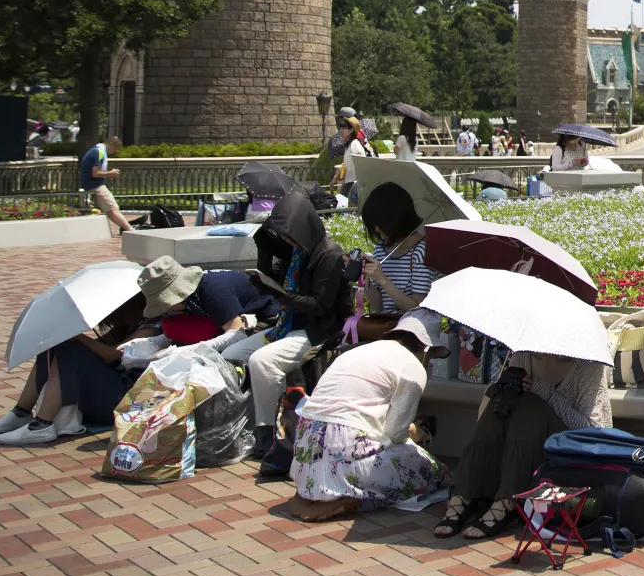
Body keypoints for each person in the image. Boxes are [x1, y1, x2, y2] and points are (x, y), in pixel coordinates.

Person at [435, 348, 615, 538]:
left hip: (568, 448)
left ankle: (508, 501)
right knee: (504, 400)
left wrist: (544, 392)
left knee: (531, 404)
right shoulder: (522, 355)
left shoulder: (590, 366)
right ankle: (465, 493)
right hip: (522, 440)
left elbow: (593, 429)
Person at [290, 310, 449, 520]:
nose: (428, 362)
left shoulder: (356, 352)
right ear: (424, 348)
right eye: (430, 356)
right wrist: (415, 432)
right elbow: (394, 433)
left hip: (304, 449)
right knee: (434, 472)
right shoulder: (413, 367)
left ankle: (312, 493)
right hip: (347, 450)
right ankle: (352, 499)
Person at [235, 192, 358, 460]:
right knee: (231, 355)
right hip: (287, 325)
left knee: (261, 361)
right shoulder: (297, 252)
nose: (287, 240)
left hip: (317, 329)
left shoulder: (329, 254)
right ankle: (239, 424)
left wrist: (278, 292)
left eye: (290, 234)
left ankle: (269, 432)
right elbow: (270, 278)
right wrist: (264, 248)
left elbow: (319, 305)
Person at [0, 294, 146, 445]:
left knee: (71, 351)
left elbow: (112, 355)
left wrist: (79, 338)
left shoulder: (150, 327)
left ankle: (43, 425)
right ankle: (21, 412)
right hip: (110, 391)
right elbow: (99, 348)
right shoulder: (128, 324)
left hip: (124, 402)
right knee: (58, 346)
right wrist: (71, 337)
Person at [136, 255, 277, 343]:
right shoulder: (194, 296)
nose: (168, 308)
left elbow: (237, 334)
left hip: (267, 318)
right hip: (234, 318)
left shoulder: (213, 291)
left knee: (229, 355)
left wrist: (194, 350)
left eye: (166, 303)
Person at [358, 182, 433, 314]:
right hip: (385, 326)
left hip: (410, 329)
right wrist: (364, 277)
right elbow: (380, 307)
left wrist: (383, 280)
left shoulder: (421, 252)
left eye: (380, 223)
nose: (376, 229)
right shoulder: (381, 249)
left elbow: (417, 309)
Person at [79, 135, 134, 237]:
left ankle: (127, 228)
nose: (115, 152)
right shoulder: (98, 152)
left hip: (92, 185)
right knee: (113, 208)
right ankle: (131, 230)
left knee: (111, 210)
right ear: (112, 144)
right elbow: (95, 173)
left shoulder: (97, 151)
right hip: (95, 185)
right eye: (116, 148)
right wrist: (110, 174)